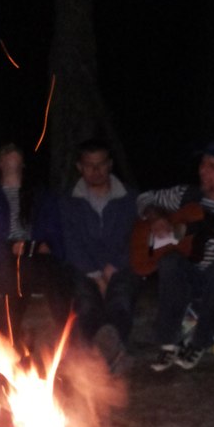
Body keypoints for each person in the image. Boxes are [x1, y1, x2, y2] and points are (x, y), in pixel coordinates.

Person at [138, 139, 214, 372]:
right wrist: (155, 218)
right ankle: (167, 344)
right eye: (203, 164)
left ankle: (198, 342)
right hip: (190, 274)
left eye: (213, 166)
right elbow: (143, 198)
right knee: (170, 261)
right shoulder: (185, 195)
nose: (204, 170)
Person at [0, 143, 70, 339]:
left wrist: (49, 246)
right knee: (18, 270)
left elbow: (54, 231)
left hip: (35, 254)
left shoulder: (40, 196)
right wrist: (5, 251)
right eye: (5, 151)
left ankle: (70, 340)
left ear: (23, 164)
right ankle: (3, 338)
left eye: (17, 151)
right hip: (2, 258)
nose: (12, 153)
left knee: (53, 272)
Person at [60, 137, 140, 368]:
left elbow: (136, 236)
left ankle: (101, 355)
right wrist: (96, 275)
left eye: (101, 163)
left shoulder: (130, 198)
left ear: (110, 164)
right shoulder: (68, 202)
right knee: (86, 303)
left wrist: (113, 267)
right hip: (84, 268)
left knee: (121, 299)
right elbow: (71, 242)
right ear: (80, 167)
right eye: (89, 165)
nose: (96, 170)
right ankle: (111, 355)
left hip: (122, 266)